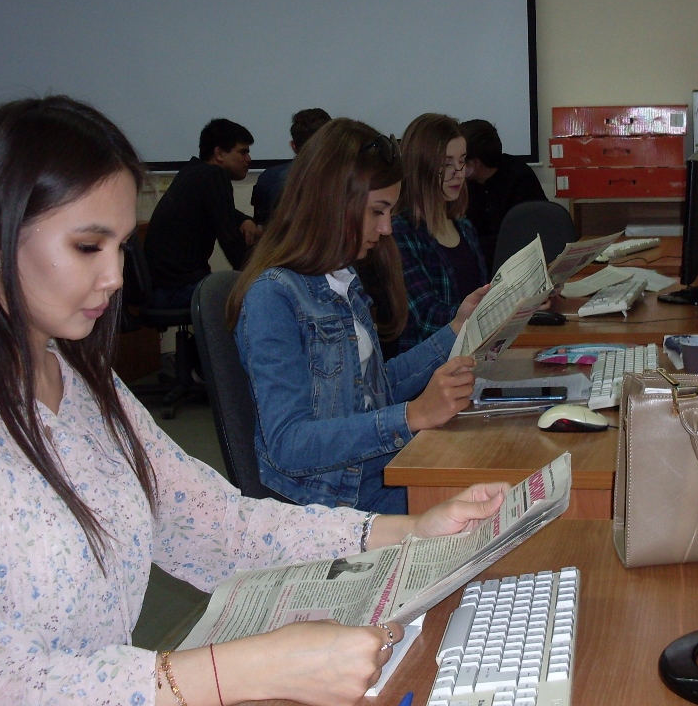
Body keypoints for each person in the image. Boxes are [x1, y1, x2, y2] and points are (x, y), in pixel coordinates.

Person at [0, 96, 507, 706]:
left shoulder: (82, 382)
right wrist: (254, 668)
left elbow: (214, 524)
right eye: (87, 246)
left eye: (120, 247)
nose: (115, 277)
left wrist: (407, 532)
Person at [231, 118, 487, 514]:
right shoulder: (273, 297)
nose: (386, 228)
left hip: (378, 469)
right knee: (491, 501)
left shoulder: (341, 279)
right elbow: (288, 444)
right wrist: (411, 415)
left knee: (501, 473)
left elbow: (374, 388)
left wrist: (457, 328)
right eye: (377, 211)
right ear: (333, 202)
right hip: (338, 499)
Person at [390, 114, 489, 354]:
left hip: (473, 356)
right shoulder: (400, 233)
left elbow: (480, 294)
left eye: (462, 161)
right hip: (430, 367)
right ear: (420, 167)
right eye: (446, 164)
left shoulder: (464, 227)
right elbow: (427, 317)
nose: (459, 173)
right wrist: (488, 310)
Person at [143, 118, 260, 310]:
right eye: (243, 152)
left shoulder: (193, 172)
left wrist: (245, 220)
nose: (249, 159)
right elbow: (231, 242)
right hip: (176, 291)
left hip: (160, 289)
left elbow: (221, 211)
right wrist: (258, 276)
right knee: (262, 296)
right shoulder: (214, 176)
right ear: (219, 154)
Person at [460, 118, 548, 269]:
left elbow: (523, 238)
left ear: (475, 163)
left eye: (461, 160)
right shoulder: (463, 183)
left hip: (519, 264)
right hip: (478, 262)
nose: (456, 167)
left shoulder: (520, 178)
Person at [250, 107, 332, 226]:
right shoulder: (351, 178)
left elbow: (261, 223)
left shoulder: (268, 179)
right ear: (333, 143)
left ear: (293, 146)